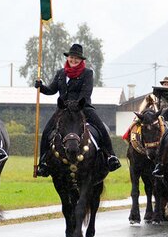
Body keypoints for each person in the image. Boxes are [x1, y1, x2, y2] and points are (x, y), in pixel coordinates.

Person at [35, 44, 121, 177]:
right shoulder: (61, 73)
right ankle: (43, 163)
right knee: (46, 131)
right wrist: (41, 87)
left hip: (83, 107)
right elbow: (52, 90)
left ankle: (111, 157)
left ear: (81, 60)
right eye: (71, 57)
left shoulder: (87, 73)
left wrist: (75, 105)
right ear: (68, 57)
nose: (73, 60)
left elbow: (86, 94)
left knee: (101, 128)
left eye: (76, 58)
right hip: (63, 110)